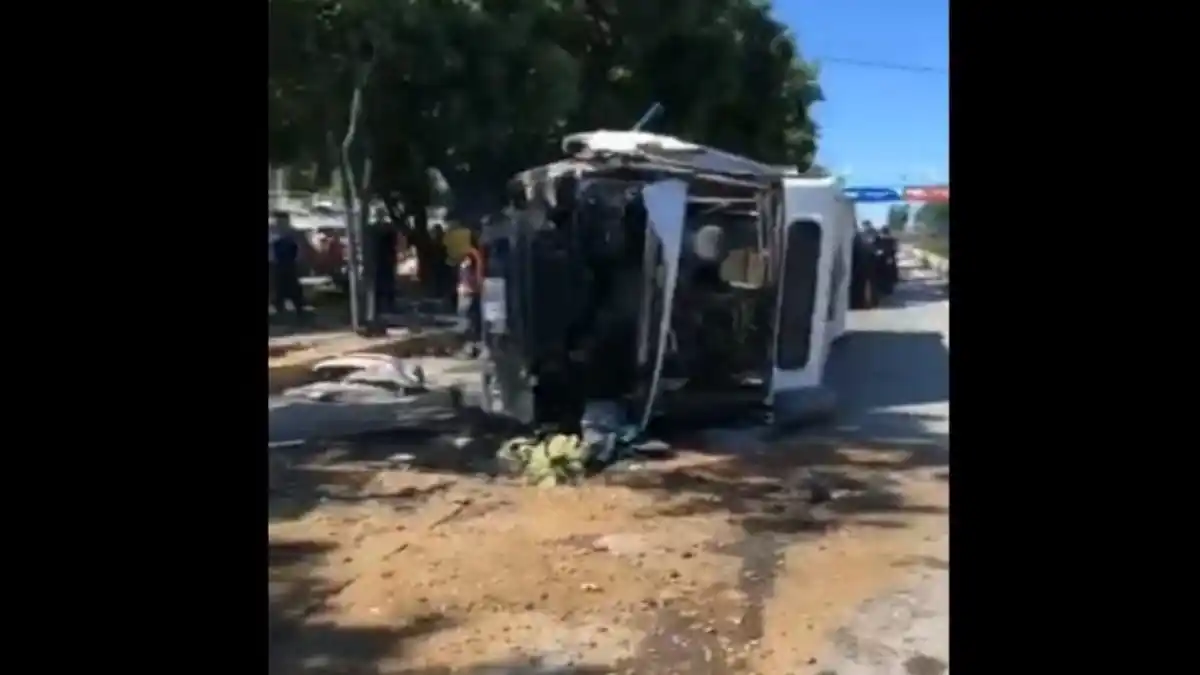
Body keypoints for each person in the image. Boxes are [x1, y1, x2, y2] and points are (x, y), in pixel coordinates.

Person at [270, 211, 307, 318]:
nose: (280, 222)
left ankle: (299, 309)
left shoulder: (293, 232)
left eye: (283, 220)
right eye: (278, 220)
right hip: (277, 264)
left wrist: (299, 259)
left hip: (290, 264)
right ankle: (280, 309)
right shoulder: (273, 231)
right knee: (278, 287)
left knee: (293, 287)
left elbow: (300, 247)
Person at [455, 230, 484, 357]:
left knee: (468, 321)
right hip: (468, 291)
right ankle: (472, 347)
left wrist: (472, 286)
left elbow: (474, 274)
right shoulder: (472, 254)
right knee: (470, 321)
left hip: (469, 292)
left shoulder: (472, 255)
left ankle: (471, 348)